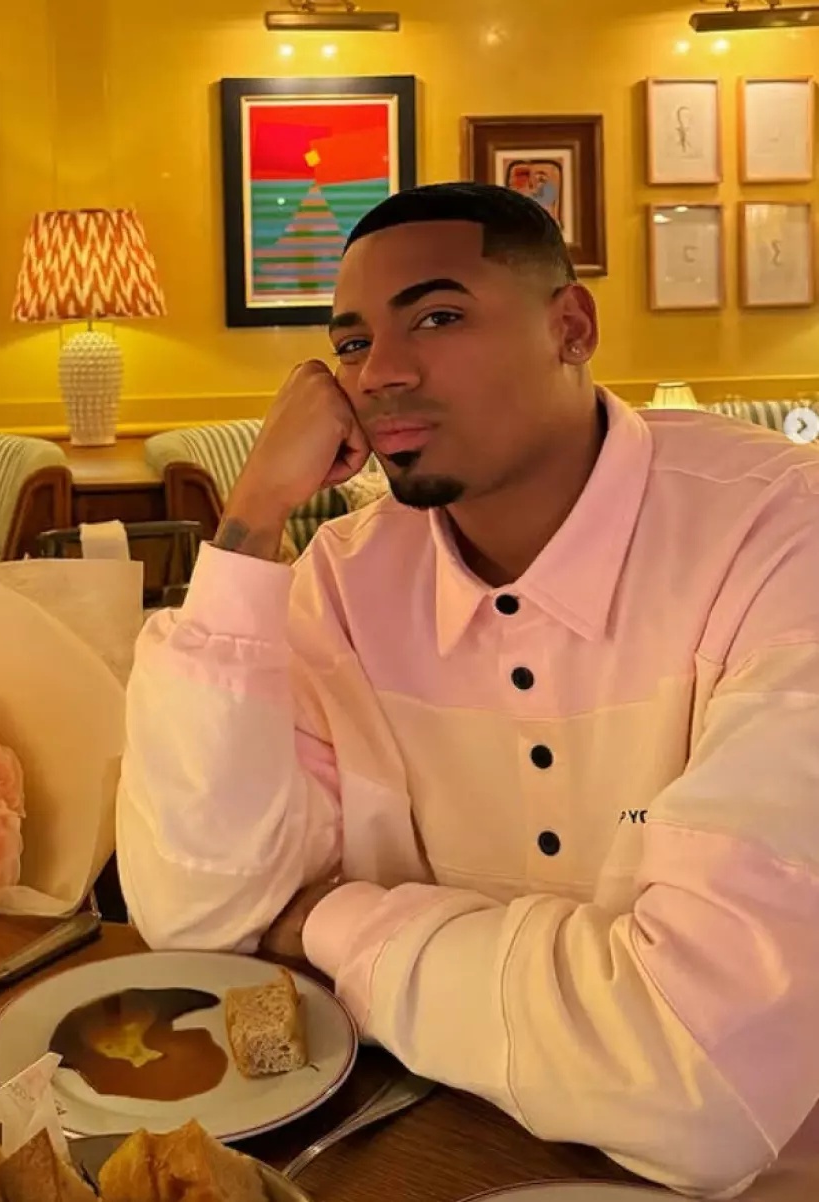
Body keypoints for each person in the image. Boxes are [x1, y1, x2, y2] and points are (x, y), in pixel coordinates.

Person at [117, 182, 819, 1199]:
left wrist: (325, 922)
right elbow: (198, 914)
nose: (380, 372)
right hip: (424, 1146)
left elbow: (698, 1082)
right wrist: (253, 517)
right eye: (351, 343)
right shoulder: (347, 578)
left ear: (570, 327)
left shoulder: (776, 537)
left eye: (437, 317)